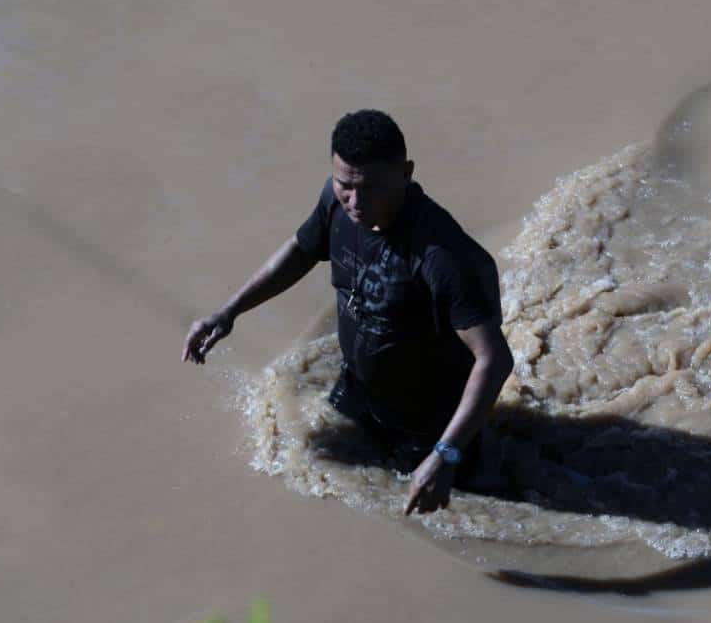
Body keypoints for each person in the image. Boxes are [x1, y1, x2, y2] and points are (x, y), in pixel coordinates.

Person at [182, 109, 514, 516]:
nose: (355, 202)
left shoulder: (442, 256)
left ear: (405, 172)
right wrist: (229, 311)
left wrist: (445, 454)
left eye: (371, 188)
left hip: (429, 428)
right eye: (345, 186)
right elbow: (301, 251)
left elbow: (494, 358)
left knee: (448, 516)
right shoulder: (336, 203)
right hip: (357, 393)